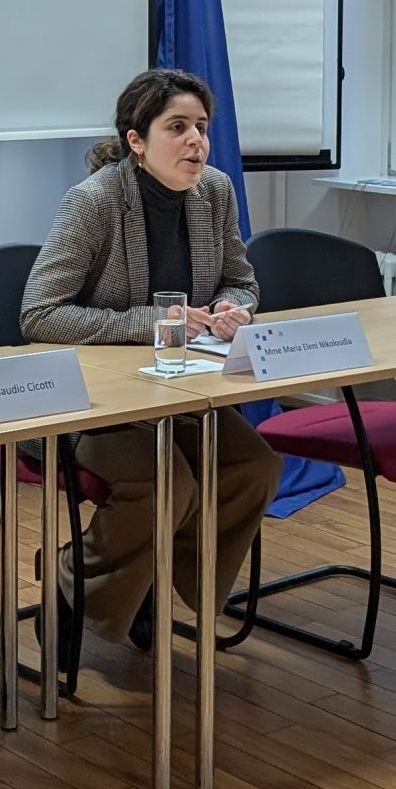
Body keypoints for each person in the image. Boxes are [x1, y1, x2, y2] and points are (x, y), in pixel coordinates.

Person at [19, 69, 280, 650]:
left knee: (253, 467)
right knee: (168, 484)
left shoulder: (215, 191)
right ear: (136, 141)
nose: (196, 142)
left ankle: (149, 579)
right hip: (95, 401)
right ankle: (72, 581)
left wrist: (233, 307)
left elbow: (242, 280)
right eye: (177, 127)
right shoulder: (95, 201)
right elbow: (39, 315)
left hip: (179, 390)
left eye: (202, 128)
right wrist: (152, 323)